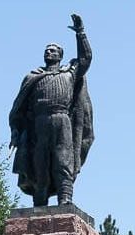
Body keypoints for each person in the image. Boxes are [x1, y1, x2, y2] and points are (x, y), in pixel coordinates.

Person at [9, 13, 94, 206]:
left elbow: (86, 59)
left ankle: (65, 199)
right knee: (39, 162)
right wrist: (15, 131)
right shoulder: (33, 77)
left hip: (61, 120)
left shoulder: (69, 73)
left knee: (63, 159)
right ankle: (40, 201)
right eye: (47, 50)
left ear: (60, 55)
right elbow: (19, 109)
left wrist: (80, 33)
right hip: (38, 123)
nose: (49, 52)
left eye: (53, 50)